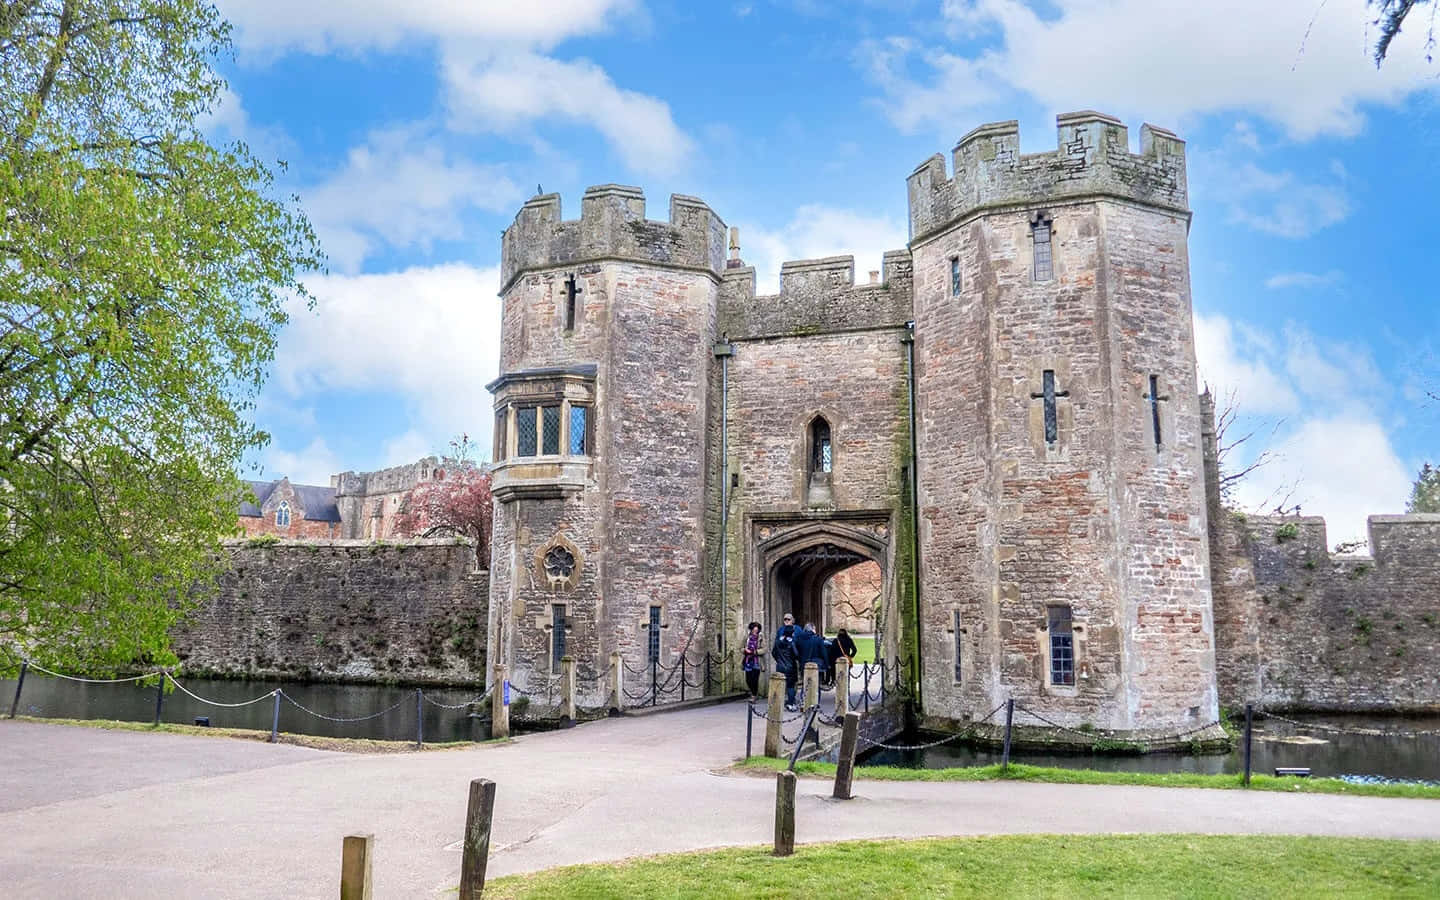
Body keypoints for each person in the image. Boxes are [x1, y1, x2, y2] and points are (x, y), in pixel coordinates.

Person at [771, 613, 799, 710]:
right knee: (790, 686)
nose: (786, 621)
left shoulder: (778, 641)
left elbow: (773, 652)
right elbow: (796, 654)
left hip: (780, 666)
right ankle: (790, 704)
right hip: (790, 666)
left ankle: (777, 704)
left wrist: (779, 660)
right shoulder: (791, 642)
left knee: (779, 685)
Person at [741, 621, 765, 700]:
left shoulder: (761, 637)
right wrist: (745, 650)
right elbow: (740, 647)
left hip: (756, 661)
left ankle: (754, 695)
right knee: (748, 680)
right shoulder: (746, 637)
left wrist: (756, 652)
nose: (755, 632)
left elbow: (764, 649)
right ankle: (753, 692)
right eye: (754, 631)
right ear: (751, 630)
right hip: (748, 661)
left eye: (756, 631)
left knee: (755, 679)